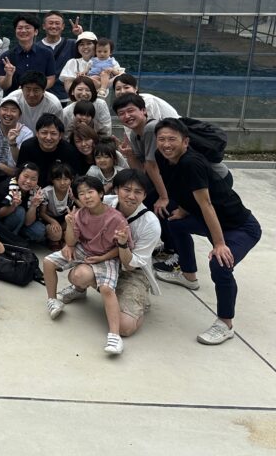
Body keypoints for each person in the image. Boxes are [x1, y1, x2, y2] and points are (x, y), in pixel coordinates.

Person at [153, 118, 263, 345]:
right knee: (175, 223)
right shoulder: (162, 157)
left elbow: (206, 204)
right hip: (207, 220)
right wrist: (184, 210)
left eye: (172, 139)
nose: (166, 144)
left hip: (239, 227)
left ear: (185, 142)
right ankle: (188, 276)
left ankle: (225, 324)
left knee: (220, 263)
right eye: (161, 139)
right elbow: (182, 188)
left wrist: (219, 244)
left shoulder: (192, 163)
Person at [59, 169, 162, 339]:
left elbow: (131, 265)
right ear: (116, 190)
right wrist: (69, 244)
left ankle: (139, 302)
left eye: (138, 192)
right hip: (103, 260)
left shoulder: (151, 224)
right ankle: (80, 289)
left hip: (132, 271)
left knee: (124, 327)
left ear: (145, 195)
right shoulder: (104, 202)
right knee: (78, 276)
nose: (131, 196)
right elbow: (81, 224)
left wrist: (123, 245)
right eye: (126, 190)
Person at [43, 175, 130, 355]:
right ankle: (52, 300)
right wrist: (70, 225)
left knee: (106, 289)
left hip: (108, 256)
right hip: (85, 249)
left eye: (90, 192)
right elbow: (71, 242)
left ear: (101, 194)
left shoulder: (116, 218)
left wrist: (102, 257)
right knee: (48, 261)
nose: (86, 197)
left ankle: (115, 336)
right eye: (81, 194)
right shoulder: (80, 214)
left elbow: (122, 247)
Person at [17, 113, 84, 186]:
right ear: (37, 133)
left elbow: (75, 177)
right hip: (32, 187)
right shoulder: (27, 146)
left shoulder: (69, 151)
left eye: (53, 133)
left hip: (60, 188)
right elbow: (20, 172)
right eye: (44, 133)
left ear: (60, 135)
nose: (48, 137)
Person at [0, 13, 56, 95]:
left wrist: (36, 90)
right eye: (20, 28)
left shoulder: (47, 54)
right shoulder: (6, 56)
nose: (23, 31)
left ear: (36, 32)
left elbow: (51, 79)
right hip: (13, 100)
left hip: (39, 98)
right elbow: (3, 86)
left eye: (27, 28)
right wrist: (9, 75)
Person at [0, 98, 33, 180]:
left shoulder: (27, 133)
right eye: (5, 109)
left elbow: (21, 160)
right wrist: (4, 168)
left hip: (13, 176)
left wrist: (13, 143)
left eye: (13, 110)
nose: (8, 113)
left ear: (19, 115)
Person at [39, 11, 79, 102]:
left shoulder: (72, 44)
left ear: (63, 26)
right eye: (50, 23)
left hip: (68, 97)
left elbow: (92, 51)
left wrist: (80, 35)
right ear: (44, 26)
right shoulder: (36, 47)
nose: (54, 26)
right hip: (43, 97)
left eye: (57, 23)